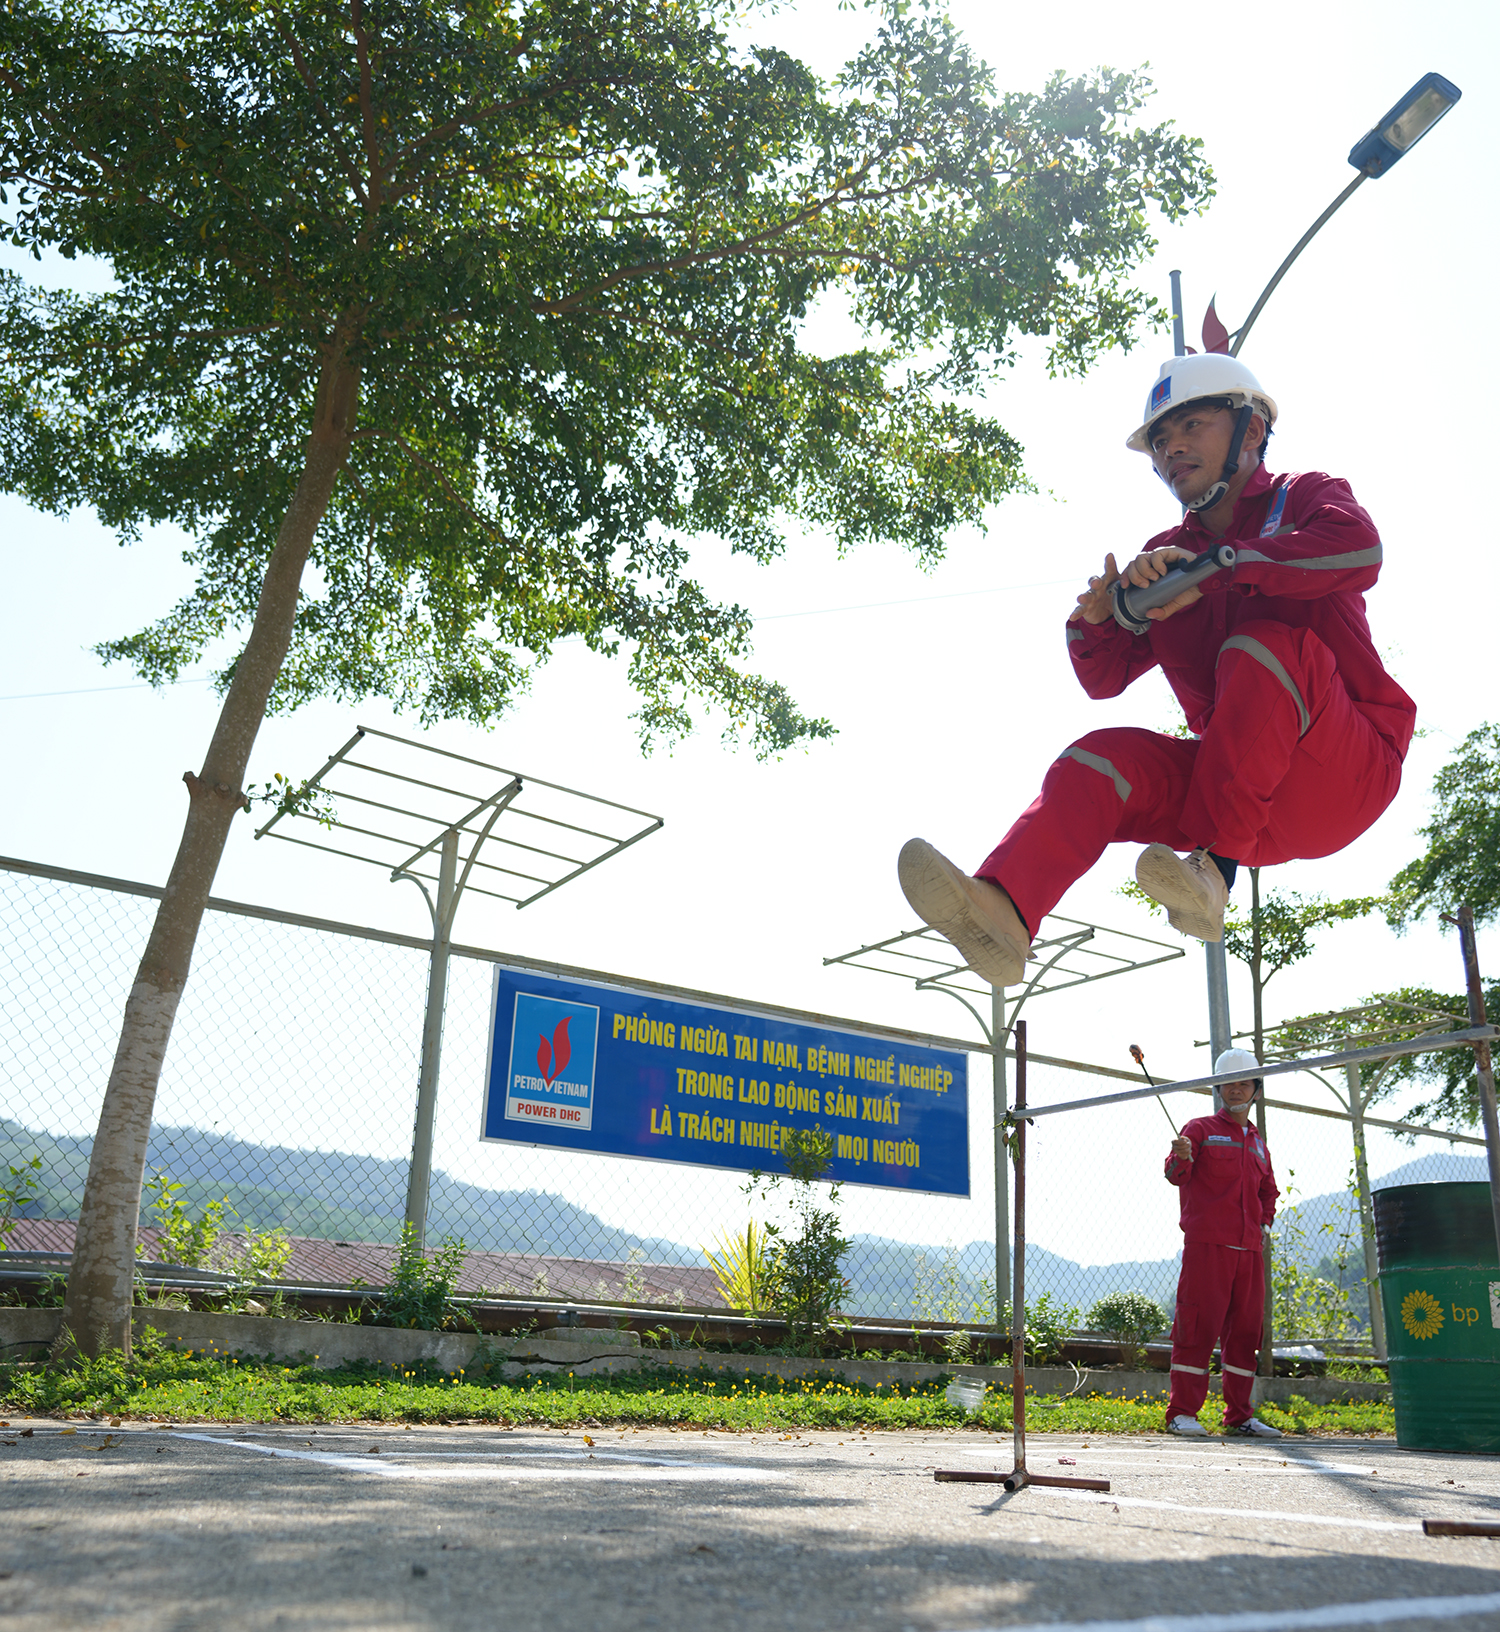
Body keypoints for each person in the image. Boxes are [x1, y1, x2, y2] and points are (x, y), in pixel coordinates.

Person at [896, 353, 1415, 985]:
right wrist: (1101, 617)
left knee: (1263, 647)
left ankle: (1213, 877)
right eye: (1161, 442)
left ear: (1251, 432)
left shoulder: (1305, 496)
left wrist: (1228, 564)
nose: (1173, 450)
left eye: (1192, 426)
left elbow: (1361, 551)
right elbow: (1103, 680)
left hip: (1346, 773)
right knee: (1096, 762)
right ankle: (1006, 911)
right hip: (1239, 796)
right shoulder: (1166, 555)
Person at [1162, 1048, 1281, 1437]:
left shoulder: (1258, 1142)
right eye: (1228, 1083)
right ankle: (1182, 1413)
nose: (1235, 1089)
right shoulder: (1198, 1128)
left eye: (1243, 1083)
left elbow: (1269, 1191)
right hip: (1207, 1247)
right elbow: (1176, 1173)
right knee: (1196, 1327)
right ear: (1218, 1088)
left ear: (1256, 1090)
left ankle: (1240, 1416)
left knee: (1247, 1332)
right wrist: (1180, 1157)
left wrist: (1263, 1225)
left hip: (1249, 1251)